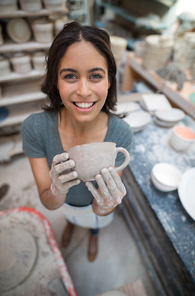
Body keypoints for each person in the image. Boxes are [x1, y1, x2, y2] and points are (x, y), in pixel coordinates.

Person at [21, 21, 133, 262]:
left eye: (95, 76)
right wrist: (56, 189)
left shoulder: (121, 133)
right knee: (69, 214)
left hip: (94, 210)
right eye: (70, 76)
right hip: (65, 204)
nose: (83, 91)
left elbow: (100, 208)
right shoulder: (35, 129)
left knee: (96, 221)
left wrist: (106, 204)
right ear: (55, 81)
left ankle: (93, 234)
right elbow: (48, 202)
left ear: (110, 81)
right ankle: (72, 224)